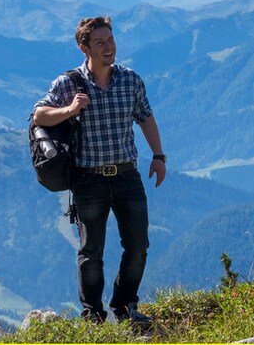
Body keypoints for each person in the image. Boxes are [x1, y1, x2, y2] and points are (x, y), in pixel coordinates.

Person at [33, 16, 167, 326]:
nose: (109, 47)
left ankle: (125, 307)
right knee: (91, 251)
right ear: (84, 47)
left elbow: (145, 117)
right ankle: (92, 315)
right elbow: (40, 115)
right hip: (88, 178)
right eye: (100, 43)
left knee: (138, 246)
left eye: (111, 40)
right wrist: (69, 110)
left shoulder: (131, 80)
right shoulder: (68, 84)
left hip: (127, 175)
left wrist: (159, 156)